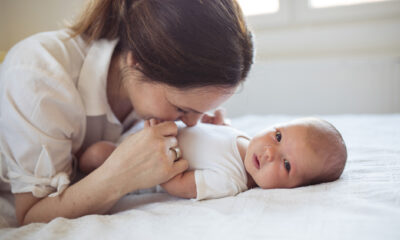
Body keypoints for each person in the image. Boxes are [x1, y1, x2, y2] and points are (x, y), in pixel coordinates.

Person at [0, 0, 253, 225]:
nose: (192, 122)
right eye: (182, 109)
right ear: (136, 63)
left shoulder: (144, 93)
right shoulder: (40, 78)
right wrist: (120, 175)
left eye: (201, 111)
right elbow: (30, 215)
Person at [79, 117, 347, 200]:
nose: (269, 153)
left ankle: (72, 174)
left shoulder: (230, 181)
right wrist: (215, 122)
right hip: (147, 134)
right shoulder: (242, 139)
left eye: (286, 165)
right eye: (278, 137)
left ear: (295, 189)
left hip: (139, 164)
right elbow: (217, 137)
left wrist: (154, 148)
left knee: (96, 154)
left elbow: (180, 184)